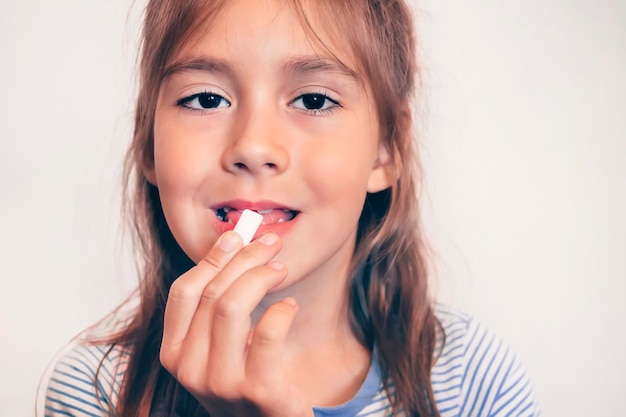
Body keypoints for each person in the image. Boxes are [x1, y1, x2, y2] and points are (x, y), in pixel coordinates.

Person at [38, 0, 541, 416]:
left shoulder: (474, 379)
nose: (254, 147)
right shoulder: (97, 391)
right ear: (148, 146)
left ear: (387, 149)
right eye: (207, 100)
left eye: (315, 101)